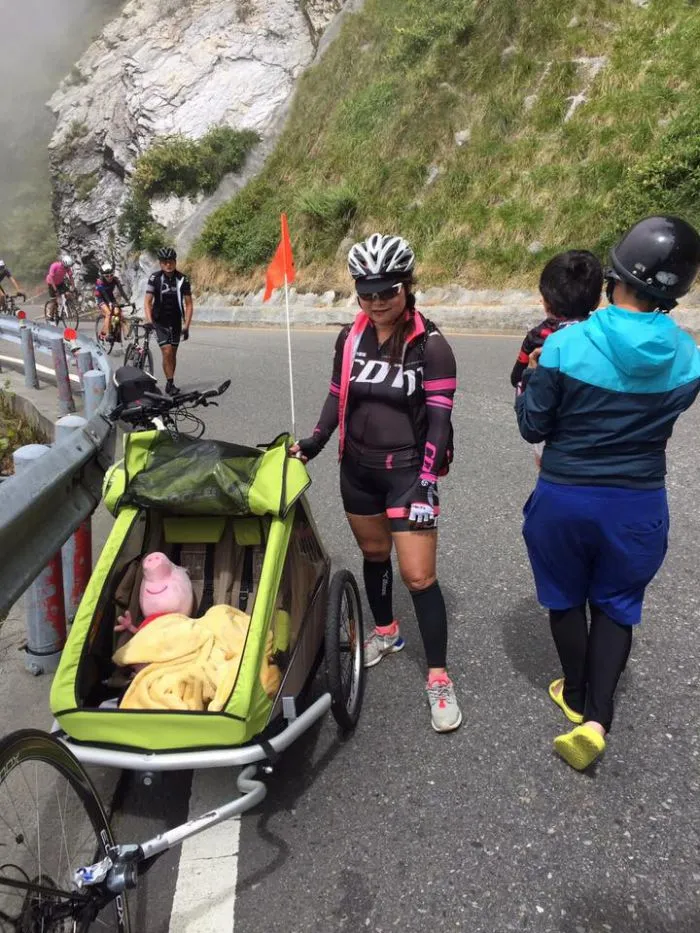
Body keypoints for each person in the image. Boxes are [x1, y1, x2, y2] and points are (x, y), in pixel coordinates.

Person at [515, 215, 700, 771]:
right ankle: (597, 719)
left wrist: (533, 383)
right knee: (617, 605)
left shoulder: (565, 344)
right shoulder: (688, 355)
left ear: (614, 278)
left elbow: (533, 425)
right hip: (637, 502)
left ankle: (574, 693)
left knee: (565, 597)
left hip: (565, 498)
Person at [289, 233, 461, 733]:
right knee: (374, 554)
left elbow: (440, 421)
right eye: (367, 293)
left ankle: (438, 678)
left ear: (408, 286)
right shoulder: (350, 338)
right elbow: (337, 395)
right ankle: (386, 632)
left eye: (388, 291)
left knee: (419, 577)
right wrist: (315, 441)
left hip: (408, 473)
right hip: (357, 470)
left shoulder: (432, 346)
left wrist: (427, 481)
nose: (377, 302)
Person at [511, 250, 603, 466]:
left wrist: (529, 373)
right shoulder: (603, 332)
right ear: (597, 301)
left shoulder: (537, 336)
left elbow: (516, 376)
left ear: (546, 302)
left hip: (547, 421)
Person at [144, 246, 193, 395]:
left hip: (176, 322)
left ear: (175, 262)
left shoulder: (183, 279)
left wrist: (186, 326)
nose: (168, 264)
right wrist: (149, 321)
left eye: (171, 261)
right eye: (164, 262)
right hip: (159, 322)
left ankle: (170, 383)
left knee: (173, 354)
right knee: (167, 351)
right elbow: (147, 302)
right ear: (160, 263)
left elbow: (189, 304)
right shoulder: (154, 278)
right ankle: (170, 383)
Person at [94, 262, 132, 338]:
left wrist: (128, 301)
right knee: (108, 313)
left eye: (111, 275)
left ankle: (124, 333)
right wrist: (109, 303)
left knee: (118, 313)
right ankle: (103, 334)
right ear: (103, 276)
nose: (109, 277)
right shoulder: (99, 282)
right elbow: (104, 293)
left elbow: (121, 291)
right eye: (107, 276)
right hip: (101, 298)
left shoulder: (115, 279)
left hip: (110, 297)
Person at [46, 254, 75, 321]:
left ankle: (66, 306)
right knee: (54, 300)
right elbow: (51, 278)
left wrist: (73, 287)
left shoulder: (67, 267)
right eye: (66, 266)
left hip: (60, 282)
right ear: (63, 263)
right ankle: (50, 314)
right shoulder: (54, 266)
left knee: (68, 294)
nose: (67, 268)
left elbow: (71, 277)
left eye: (68, 267)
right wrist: (55, 290)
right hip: (51, 283)